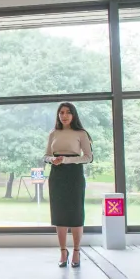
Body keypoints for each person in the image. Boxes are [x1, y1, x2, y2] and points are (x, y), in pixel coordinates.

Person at [45, 102, 93, 268]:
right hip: (57, 174)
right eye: (61, 112)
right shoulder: (53, 133)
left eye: (67, 112)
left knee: (76, 214)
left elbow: (88, 157)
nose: (64, 116)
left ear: (73, 115)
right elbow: (46, 155)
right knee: (60, 214)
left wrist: (66, 160)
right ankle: (63, 251)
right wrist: (53, 159)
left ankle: (77, 251)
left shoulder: (81, 133)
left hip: (74, 175)